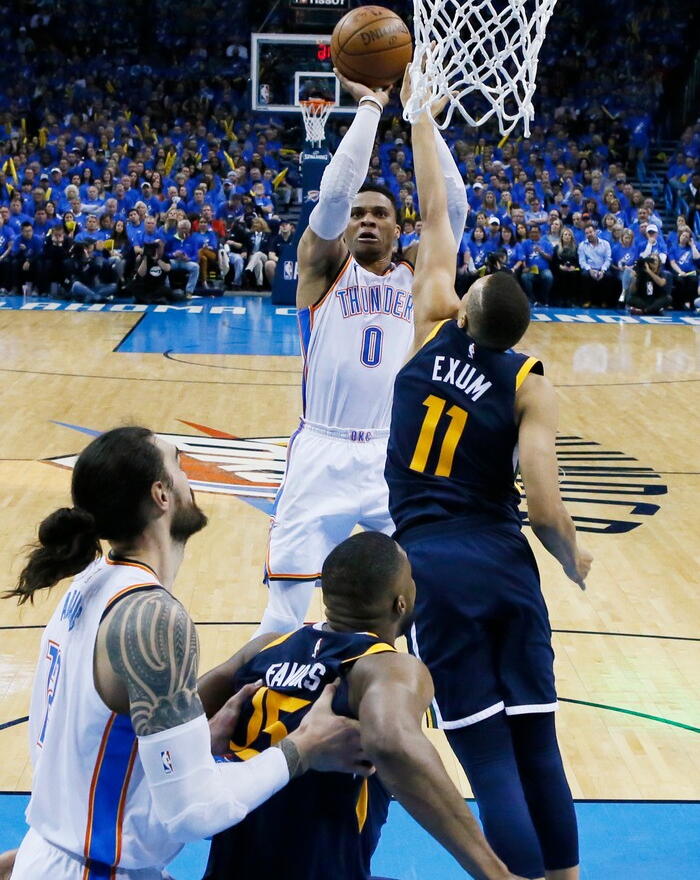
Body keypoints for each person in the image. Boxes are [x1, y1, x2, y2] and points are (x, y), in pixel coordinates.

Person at [384, 75, 592, 879]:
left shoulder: (428, 321)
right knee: (538, 743)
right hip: (506, 562)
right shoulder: (527, 377)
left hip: (433, 563)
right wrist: (570, 557)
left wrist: (424, 118)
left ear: (465, 305)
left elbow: (436, 213)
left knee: (489, 759)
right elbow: (543, 506)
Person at [7, 427, 371, 879]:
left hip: (56, 858)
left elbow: (89, 752)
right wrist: (304, 747)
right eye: (179, 463)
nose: (189, 477)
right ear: (161, 494)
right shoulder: (153, 617)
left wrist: (195, 742)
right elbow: (195, 811)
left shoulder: (89, 583)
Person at [254, 68, 468, 637]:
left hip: (389, 454)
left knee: (418, 596)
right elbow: (331, 196)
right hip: (319, 450)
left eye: (380, 214)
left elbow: (455, 209)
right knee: (283, 610)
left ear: (400, 231)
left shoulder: (416, 281)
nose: (366, 219)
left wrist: (425, 116)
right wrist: (372, 107)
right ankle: (254, 718)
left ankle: (417, 700)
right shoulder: (322, 269)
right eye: (359, 214)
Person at [202, 533, 523, 880]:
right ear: (401, 602)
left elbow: (166, 719)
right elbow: (391, 743)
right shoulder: (382, 667)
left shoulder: (263, 649)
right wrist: (496, 873)